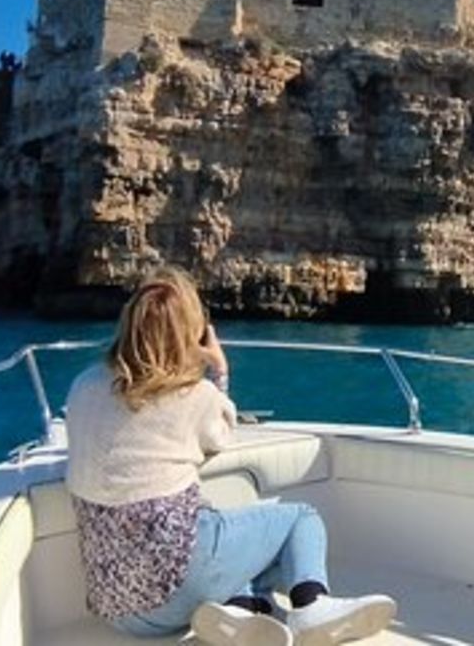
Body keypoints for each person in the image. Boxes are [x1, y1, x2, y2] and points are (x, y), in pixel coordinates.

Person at [65, 267, 396, 646]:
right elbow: (220, 434)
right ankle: (311, 607)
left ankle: (240, 608)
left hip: (120, 610)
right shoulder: (194, 396)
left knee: (227, 542)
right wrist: (218, 369)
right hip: (180, 582)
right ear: (192, 333)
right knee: (299, 521)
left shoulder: (84, 387)